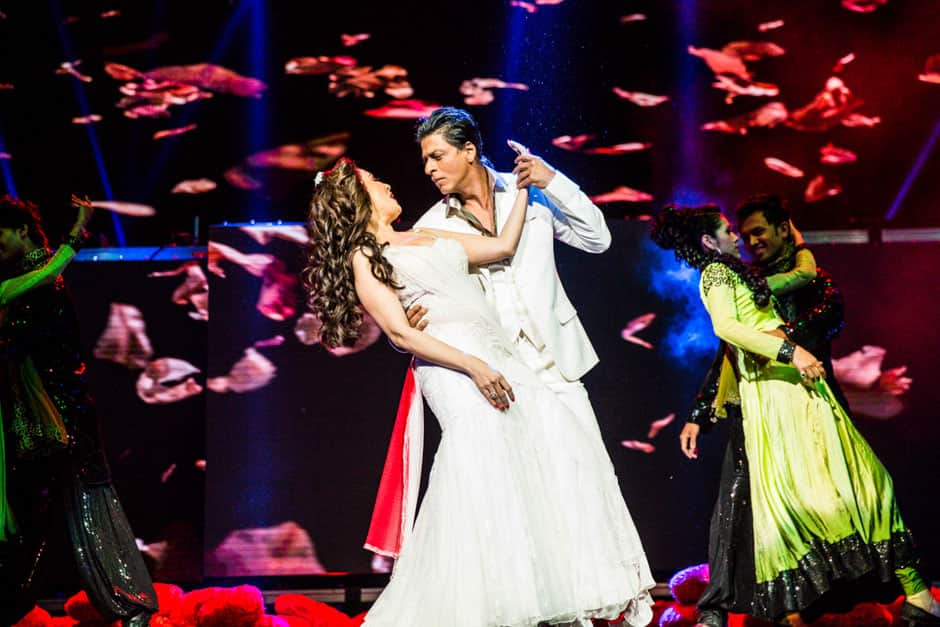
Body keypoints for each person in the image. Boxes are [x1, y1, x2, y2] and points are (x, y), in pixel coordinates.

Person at [304, 158, 654, 627]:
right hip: (455, 369)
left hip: (501, 359)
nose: (388, 181)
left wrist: (525, 190)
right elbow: (400, 333)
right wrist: (471, 364)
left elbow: (503, 245)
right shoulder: (365, 257)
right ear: (358, 200)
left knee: (543, 456)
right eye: (375, 180)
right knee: (479, 467)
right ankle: (477, 605)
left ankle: (536, 593)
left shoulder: (428, 235)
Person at [650, 204, 937, 627]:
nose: (739, 238)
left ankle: (913, 595)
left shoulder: (745, 276)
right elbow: (728, 332)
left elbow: (803, 276)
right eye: (729, 231)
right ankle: (796, 612)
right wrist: (791, 350)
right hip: (774, 393)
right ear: (709, 242)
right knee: (793, 503)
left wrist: (800, 244)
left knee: (867, 484)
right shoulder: (716, 274)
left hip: (800, 388)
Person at [408, 107, 611, 453]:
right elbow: (415, 314)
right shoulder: (432, 227)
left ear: (469, 151)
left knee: (588, 474)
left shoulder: (530, 194)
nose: (429, 168)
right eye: (426, 160)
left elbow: (598, 239)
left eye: (437, 156)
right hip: (500, 375)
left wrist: (552, 180)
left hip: (556, 364)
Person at [0, 195, 157, 626]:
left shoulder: (40, 282)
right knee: (34, 517)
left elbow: (49, 285)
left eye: (0, 232)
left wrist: (77, 230)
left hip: (59, 419)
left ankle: (129, 602)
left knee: (85, 507)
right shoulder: (18, 282)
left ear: (23, 231)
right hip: (35, 423)